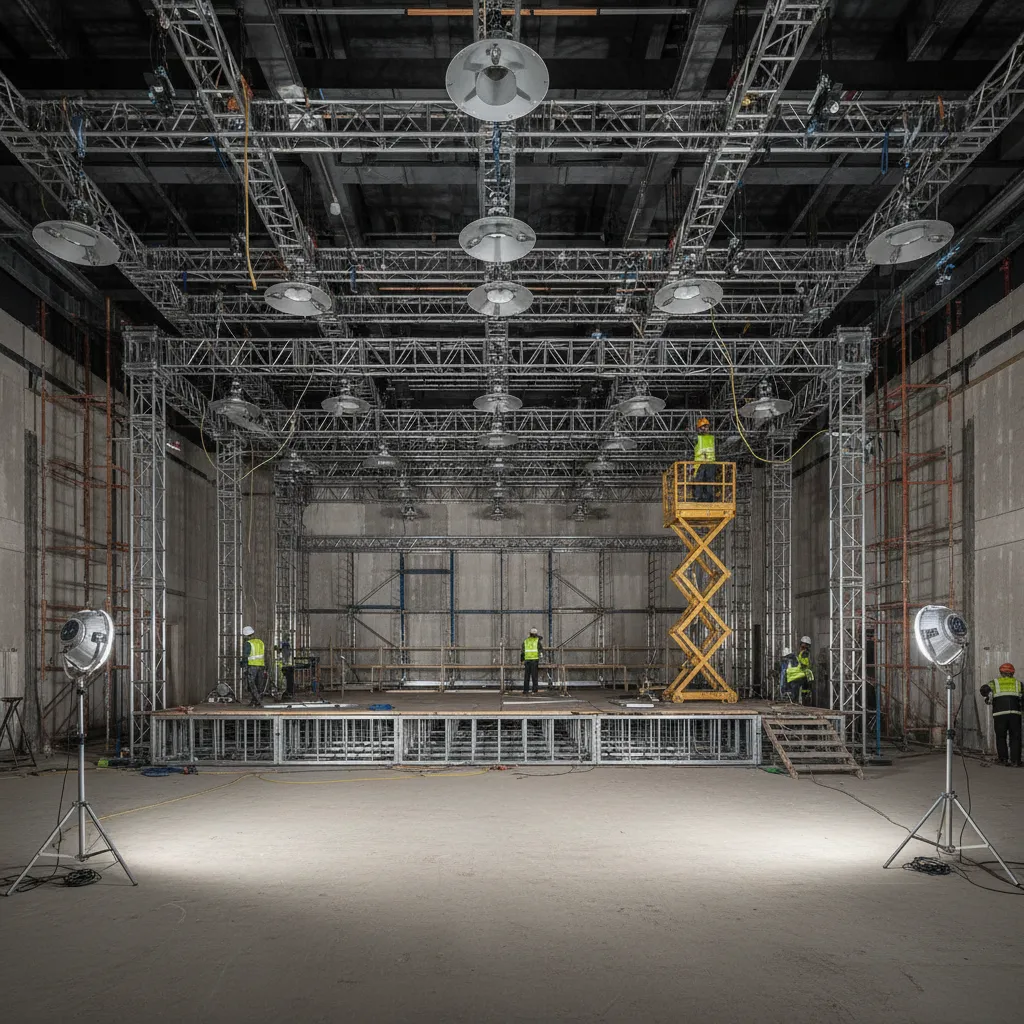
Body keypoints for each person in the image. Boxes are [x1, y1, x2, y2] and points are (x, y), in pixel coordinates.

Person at [980, 663, 1022, 766]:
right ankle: (1015, 761)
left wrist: (988, 697)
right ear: (1012, 672)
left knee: (1001, 737)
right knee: (1015, 737)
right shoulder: (1018, 683)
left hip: (1000, 714)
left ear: (1001, 672)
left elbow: (983, 689)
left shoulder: (994, 682)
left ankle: (1003, 759)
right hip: (1015, 714)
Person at [241, 625, 266, 707]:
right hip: (261, 666)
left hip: (252, 666)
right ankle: (255, 701)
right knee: (259, 684)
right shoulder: (260, 642)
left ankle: (258, 701)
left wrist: (243, 665)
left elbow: (246, 656)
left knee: (251, 685)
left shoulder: (248, 643)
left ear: (246, 635)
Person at [693, 416, 716, 501]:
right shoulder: (697, 437)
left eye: (706, 427)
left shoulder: (712, 438)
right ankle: (699, 498)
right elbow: (691, 437)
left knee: (709, 482)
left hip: (710, 463)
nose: (705, 428)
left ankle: (708, 499)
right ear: (699, 429)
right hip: (700, 463)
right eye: (703, 427)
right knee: (699, 481)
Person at [521, 628, 544, 695]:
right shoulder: (537, 641)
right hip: (534, 660)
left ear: (529, 633)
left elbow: (522, 651)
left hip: (527, 660)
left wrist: (522, 660)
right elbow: (541, 650)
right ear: (536, 634)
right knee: (534, 676)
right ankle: (534, 690)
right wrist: (541, 655)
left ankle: (525, 690)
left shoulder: (526, 641)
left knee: (526, 676)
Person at [797, 635, 815, 705]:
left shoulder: (805, 653)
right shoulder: (805, 653)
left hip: (804, 673)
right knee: (805, 689)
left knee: (805, 689)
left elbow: (804, 664)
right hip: (804, 673)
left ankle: (803, 702)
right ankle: (804, 701)